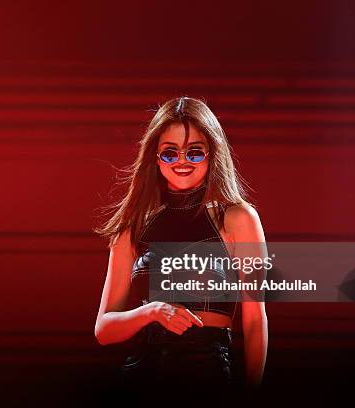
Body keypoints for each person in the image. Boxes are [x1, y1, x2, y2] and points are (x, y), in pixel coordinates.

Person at [93, 96, 268, 402]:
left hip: (207, 375)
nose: (182, 161)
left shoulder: (238, 219)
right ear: (155, 159)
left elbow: (254, 321)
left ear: (213, 154)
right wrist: (151, 312)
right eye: (169, 153)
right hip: (140, 375)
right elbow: (104, 329)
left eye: (195, 152)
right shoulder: (132, 226)